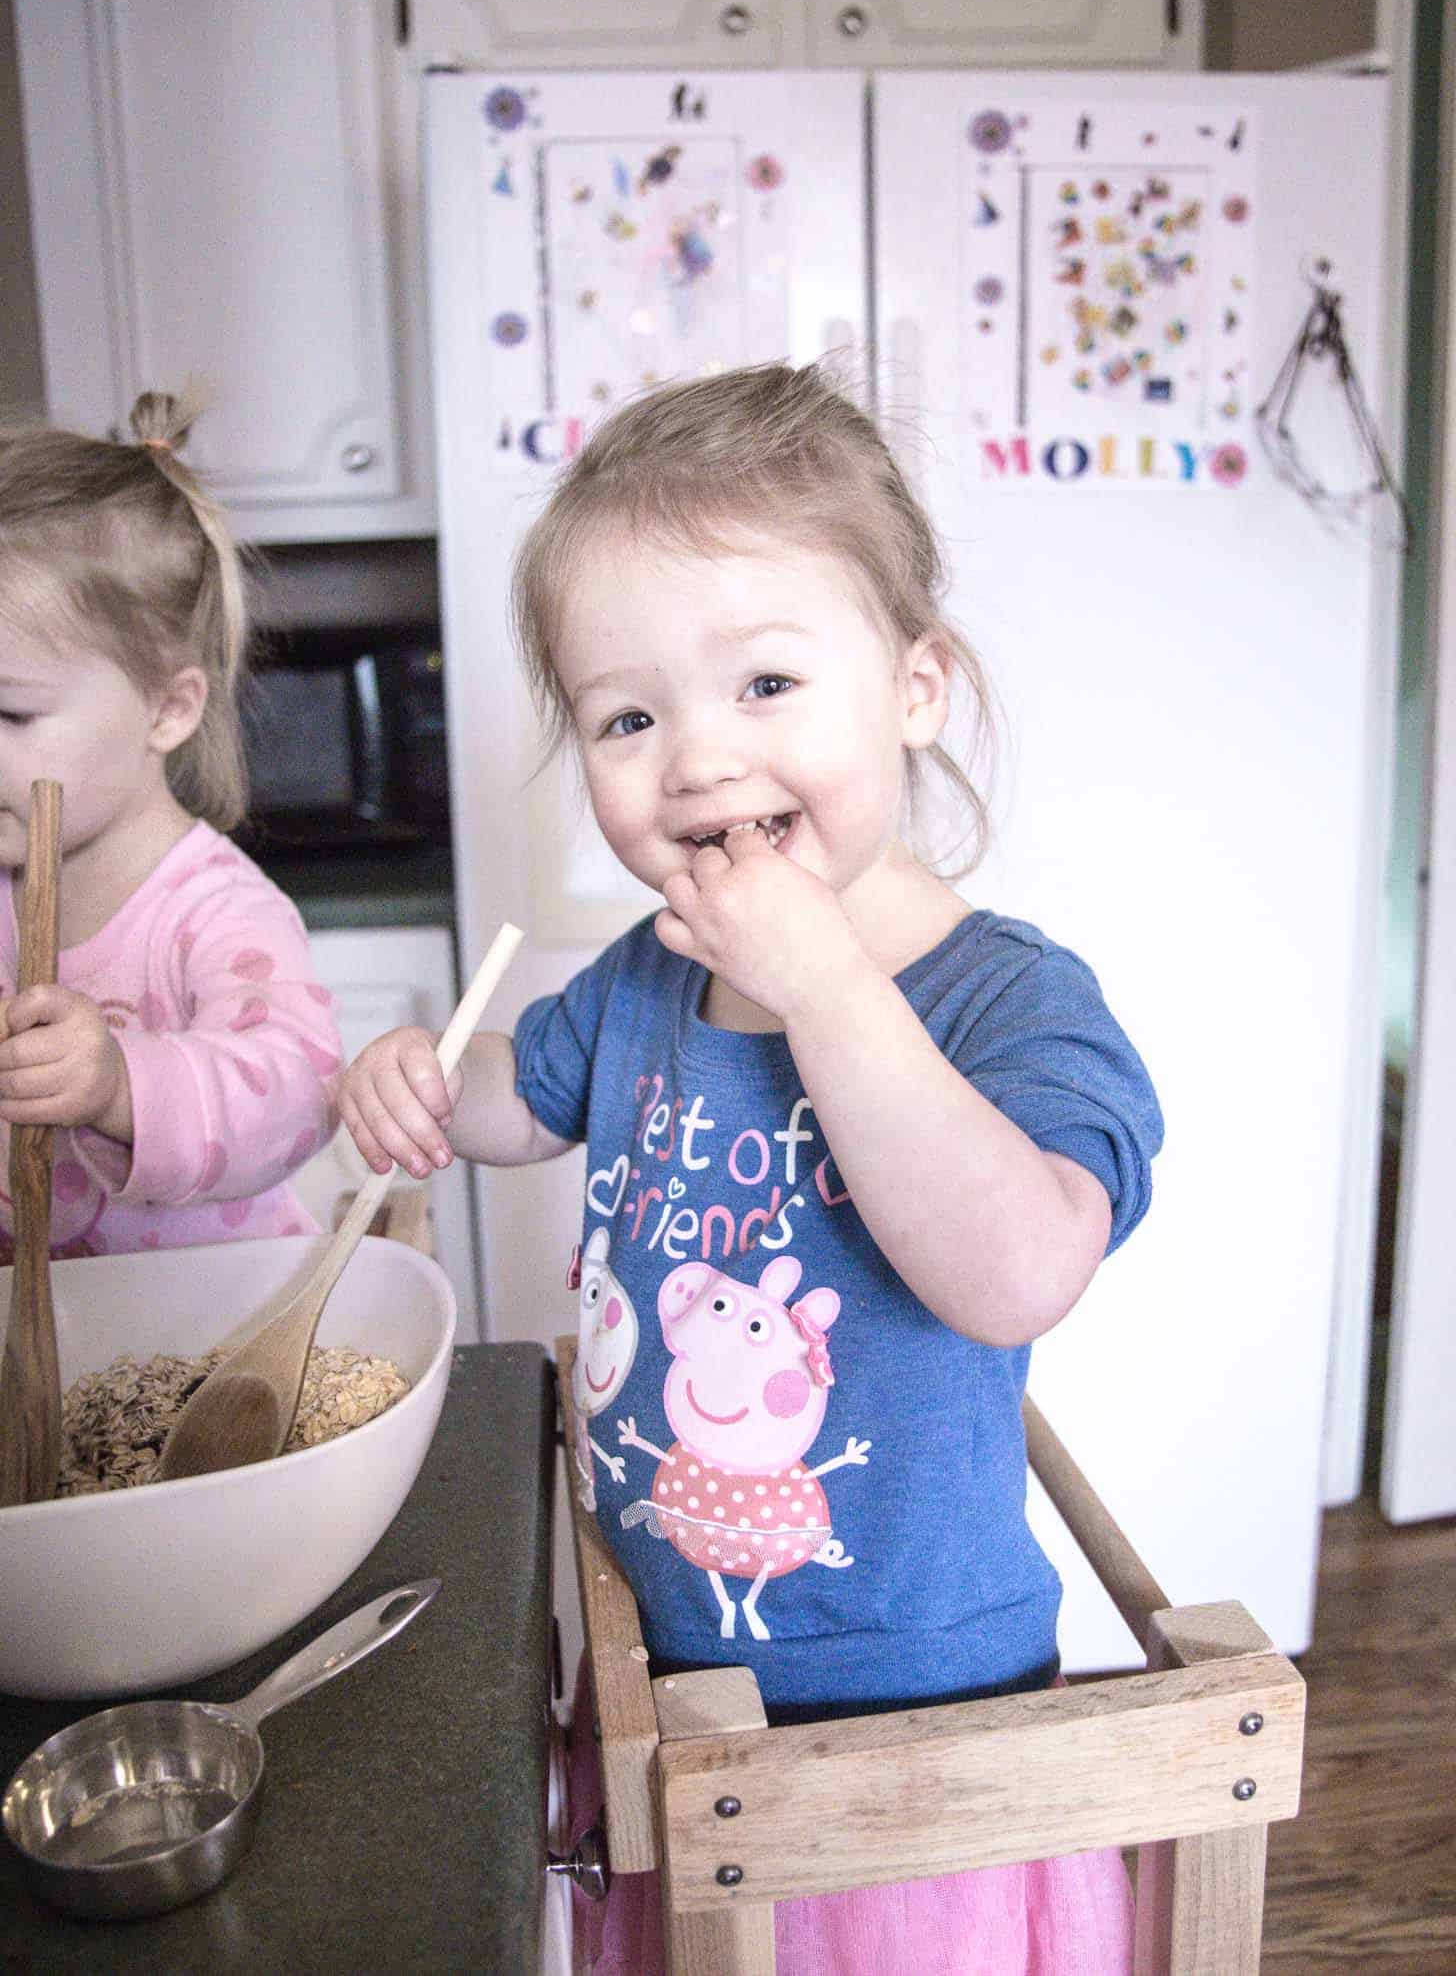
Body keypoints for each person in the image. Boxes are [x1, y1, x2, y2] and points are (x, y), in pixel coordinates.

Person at [340, 361, 1164, 1972]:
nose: (698, 761)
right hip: (681, 1684)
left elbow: (1016, 1271)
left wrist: (831, 985)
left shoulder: (1008, 996)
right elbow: (531, 1097)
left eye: (766, 684)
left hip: (906, 1723)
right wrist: (436, 1079)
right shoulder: (650, 976)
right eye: (630, 717)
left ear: (915, 685)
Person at [0, 394, 342, 1261]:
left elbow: (297, 1095)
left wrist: (119, 1084)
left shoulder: (219, 913)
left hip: (216, 1330)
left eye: (8, 712)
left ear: (168, 709)